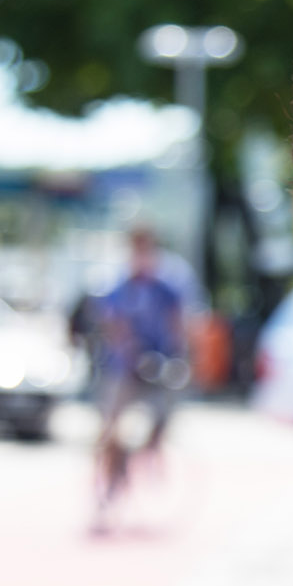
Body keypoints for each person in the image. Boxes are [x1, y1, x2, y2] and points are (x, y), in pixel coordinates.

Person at [91, 225, 191, 530]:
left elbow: (180, 323)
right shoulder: (119, 285)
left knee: (163, 416)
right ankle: (109, 486)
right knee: (111, 430)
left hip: (159, 364)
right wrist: (132, 352)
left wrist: (179, 359)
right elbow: (113, 324)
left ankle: (149, 455)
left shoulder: (166, 284)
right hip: (125, 367)